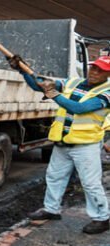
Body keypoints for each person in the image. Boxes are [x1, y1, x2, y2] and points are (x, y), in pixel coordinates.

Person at [9, 56, 110, 234]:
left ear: (107, 74)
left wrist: (53, 94)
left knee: (90, 184)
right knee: (55, 177)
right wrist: (22, 71)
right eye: (94, 68)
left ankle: (101, 218)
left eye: (100, 70)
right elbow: (38, 85)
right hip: (63, 142)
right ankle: (51, 209)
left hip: (86, 145)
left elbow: (79, 108)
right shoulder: (73, 83)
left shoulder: (107, 92)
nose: (94, 72)